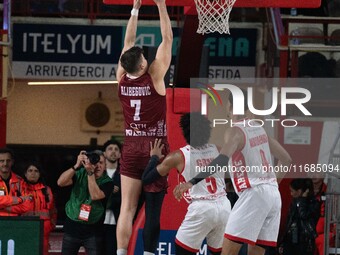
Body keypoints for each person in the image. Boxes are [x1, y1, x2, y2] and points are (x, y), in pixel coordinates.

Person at [173, 90, 292, 255]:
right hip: (273, 196)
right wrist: (272, 184)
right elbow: (286, 159)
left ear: (230, 106)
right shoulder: (259, 128)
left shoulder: (235, 131)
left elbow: (221, 160)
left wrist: (190, 182)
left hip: (253, 194)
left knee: (228, 252)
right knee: (255, 252)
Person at [115, 0, 173, 253]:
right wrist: (161, 5)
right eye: (143, 57)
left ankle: (120, 252)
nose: (146, 57)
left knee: (126, 208)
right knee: (152, 208)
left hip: (130, 145)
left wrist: (135, 9)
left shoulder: (121, 76)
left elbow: (128, 44)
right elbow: (168, 39)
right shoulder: (155, 75)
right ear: (142, 65)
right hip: (155, 148)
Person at [142, 112, 231, 255]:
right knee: (218, 252)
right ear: (207, 131)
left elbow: (146, 178)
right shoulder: (218, 149)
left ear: (185, 131)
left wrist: (154, 157)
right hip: (224, 206)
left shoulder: (178, 156)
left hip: (202, 208)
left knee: (182, 250)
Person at [57, 150, 114, 255]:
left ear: (105, 166)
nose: (97, 166)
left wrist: (90, 173)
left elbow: (95, 195)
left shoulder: (108, 182)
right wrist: (76, 165)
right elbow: (61, 182)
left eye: (101, 163)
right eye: (95, 162)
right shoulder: (79, 174)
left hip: (94, 230)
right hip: (72, 227)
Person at [21, 161, 57, 255]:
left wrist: (50, 226)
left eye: (36, 171)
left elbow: (53, 210)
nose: (33, 173)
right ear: (25, 173)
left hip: (43, 232)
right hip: (24, 230)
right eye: (30, 170)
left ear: (39, 174)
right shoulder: (19, 189)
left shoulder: (47, 190)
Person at [279, 178, 319, 255]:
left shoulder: (313, 203)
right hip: (292, 237)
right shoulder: (294, 203)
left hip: (305, 239)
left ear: (299, 191)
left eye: (292, 191)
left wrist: (302, 200)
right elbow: (289, 221)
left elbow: (303, 215)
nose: (291, 194)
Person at [103, 139, 122, 255]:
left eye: (116, 149)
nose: (113, 152)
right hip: (99, 221)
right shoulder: (98, 173)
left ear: (120, 154)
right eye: (110, 149)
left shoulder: (124, 174)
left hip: (117, 222)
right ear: (104, 153)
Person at [0, 147, 33, 216]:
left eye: (8, 160)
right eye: (2, 161)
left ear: (12, 162)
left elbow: (28, 206)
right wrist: (19, 199)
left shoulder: (20, 182)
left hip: (15, 223)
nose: (5, 164)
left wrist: (6, 208)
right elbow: (23, 200)